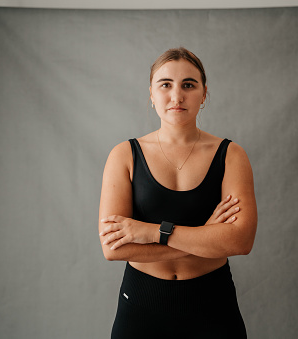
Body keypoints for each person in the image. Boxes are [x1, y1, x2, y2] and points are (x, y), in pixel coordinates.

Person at [98, 47, 258, 339]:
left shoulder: (231, 155)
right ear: (151, 93)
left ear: (204, 93)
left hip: (212, 303)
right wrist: (206, 235)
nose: (177, 96)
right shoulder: (124, 155)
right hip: (141, 305)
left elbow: (240, 240)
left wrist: (150, 232)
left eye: (188, 84)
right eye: (165, 84)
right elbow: (113, 248)